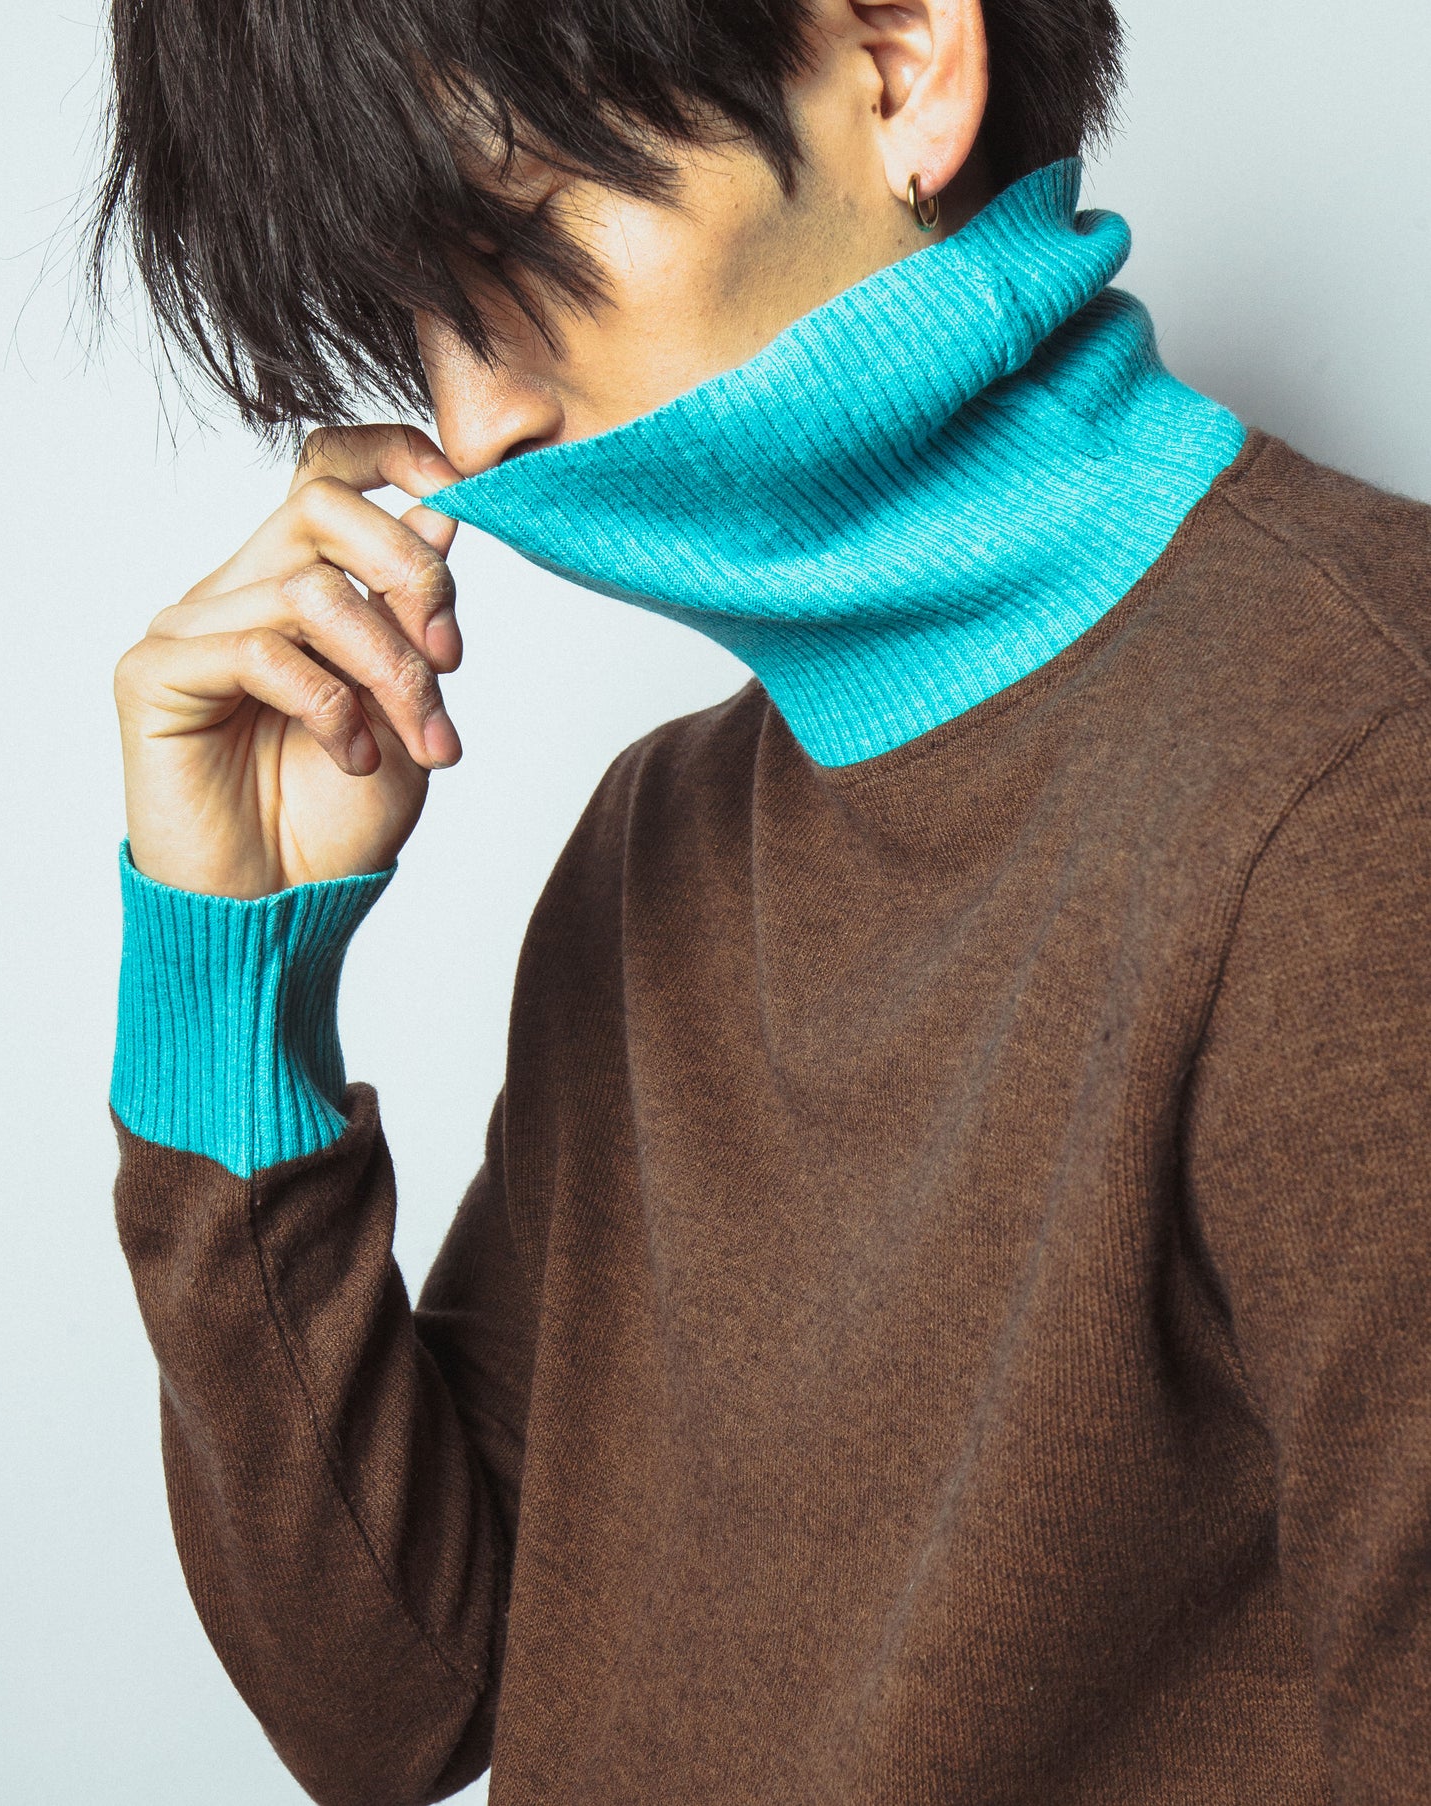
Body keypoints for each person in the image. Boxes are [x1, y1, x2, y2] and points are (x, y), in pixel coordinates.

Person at [96, 0, 1431, 1800]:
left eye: (518, 245)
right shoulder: (656, 837)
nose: (473, 419)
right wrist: (229, 973)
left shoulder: (1368, 770)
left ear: (897, 58)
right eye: (415, 316)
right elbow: (393, 1705)